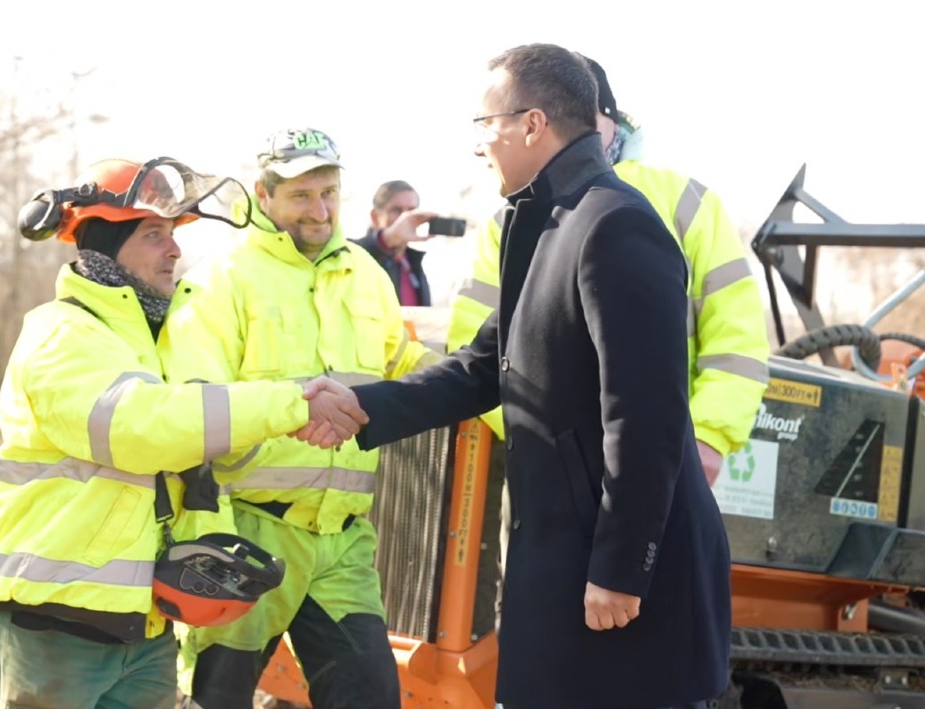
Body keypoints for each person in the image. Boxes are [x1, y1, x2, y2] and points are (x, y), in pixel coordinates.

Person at [312, 44, 732, 708]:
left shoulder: (616, 224)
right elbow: (485, 366)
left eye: (486, 124)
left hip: (620, 582)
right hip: (561, 560)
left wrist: (623, 570)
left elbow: (645, 417)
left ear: (533, 124)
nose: (479, 144)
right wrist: (364, 405)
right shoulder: (533, 225)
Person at [0, 156, 368, 709]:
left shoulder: (153, 340)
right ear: (105, 249)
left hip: (145, 628)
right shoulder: (62, 334)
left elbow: (186, 463)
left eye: (174, 235)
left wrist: (216, 552)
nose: (175, 251)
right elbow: (142, 428)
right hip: (55, 627)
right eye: (154, 235)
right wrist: (290, 402)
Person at [159, 128, 442, 709]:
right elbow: (192, 405)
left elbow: (405, 364)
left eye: (329, 193)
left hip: (343, 544)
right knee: (218, 701)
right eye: (301, 196)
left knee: (372, 697)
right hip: (244, 540)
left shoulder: (367, 274)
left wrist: (500, 390)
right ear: (264, 197)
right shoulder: (221, 280)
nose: (319, 211)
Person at [449, 55, 770, 488]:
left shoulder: (686, 202)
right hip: (550, 477)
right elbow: (477, 347)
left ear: (607, 119)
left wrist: (708, 438)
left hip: (673, 470)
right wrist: (552, 443)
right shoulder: (507, 223)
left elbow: (737, 341)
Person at [351, 180, 438, 306]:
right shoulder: (356, 255)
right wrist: (388, 239)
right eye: (397, 210)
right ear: (375, 217)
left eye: (411, 211)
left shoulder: (412, 263)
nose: (405, 218)